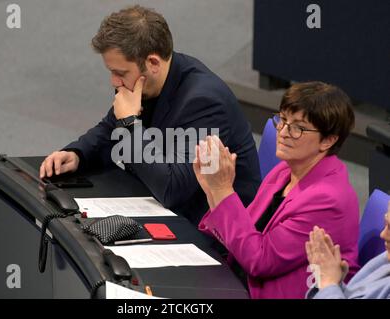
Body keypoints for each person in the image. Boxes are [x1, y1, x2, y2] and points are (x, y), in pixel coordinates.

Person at [38, 5, 261, 225]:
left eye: (120, 73)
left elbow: (172, 189)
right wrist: (78, 154)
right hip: (166, 206)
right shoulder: (147, 82)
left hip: (216, 235)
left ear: (153, 63)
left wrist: (130, 124)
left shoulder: (205, 103)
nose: (114, 82)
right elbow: (110, 128)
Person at [193, 81, 360, 298]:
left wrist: (223, 189)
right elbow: (245, 236)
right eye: (282, 120)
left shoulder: (327, 200)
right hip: (240, 280)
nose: (283, 132)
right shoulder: (284, 171)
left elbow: (259, 260)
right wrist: (213, 191)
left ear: (328, 140)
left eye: (298, 127)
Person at [306, 202, 390, 299]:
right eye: (385, 223)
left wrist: (328, 283)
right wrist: (334, 282)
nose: (382, 234)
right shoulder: (385, 259)